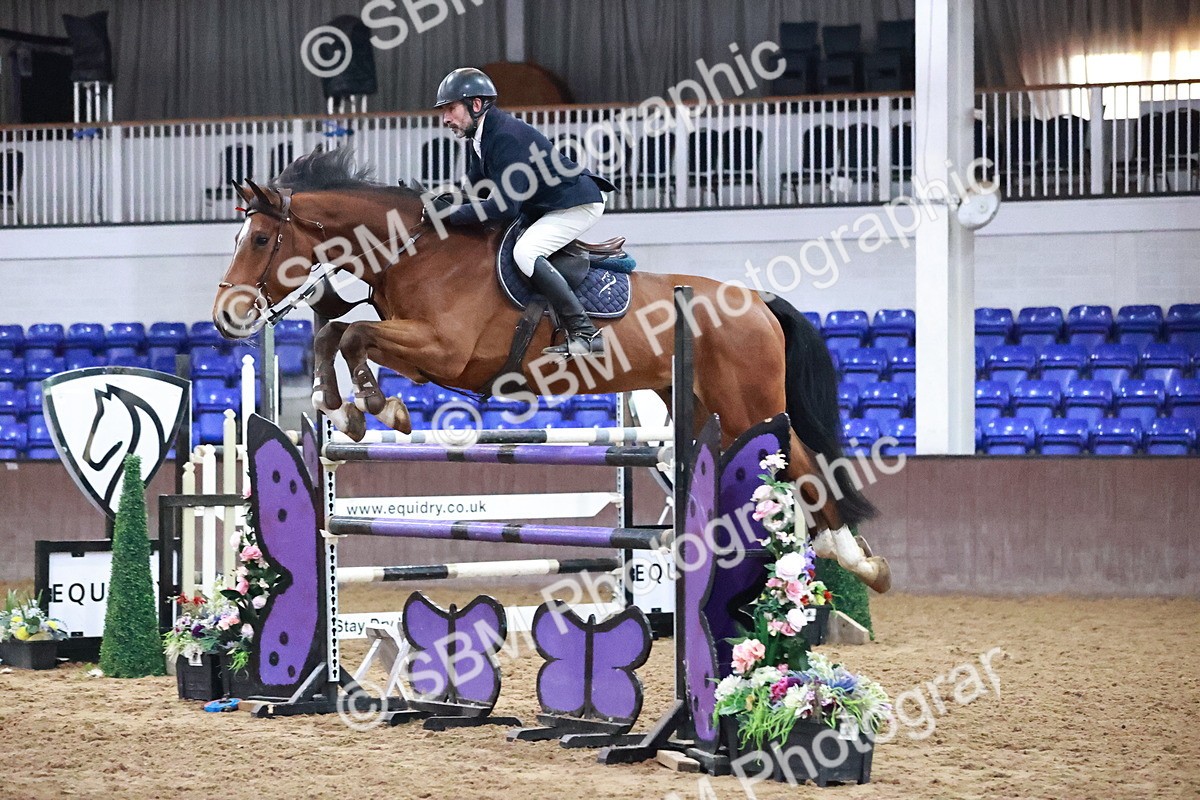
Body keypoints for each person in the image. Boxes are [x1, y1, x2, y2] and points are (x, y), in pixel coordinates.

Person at [433, 67, 613, 357]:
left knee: (525, 252)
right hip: (546, 204)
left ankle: (586, 332)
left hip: (576, 204)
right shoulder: (480, 138)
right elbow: (474, 190)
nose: (445, 118)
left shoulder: (507, 138)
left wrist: (449, 215)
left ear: (476, 104)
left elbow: (504, 208)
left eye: (451, 109)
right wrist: (436, 201)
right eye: (444, 110)